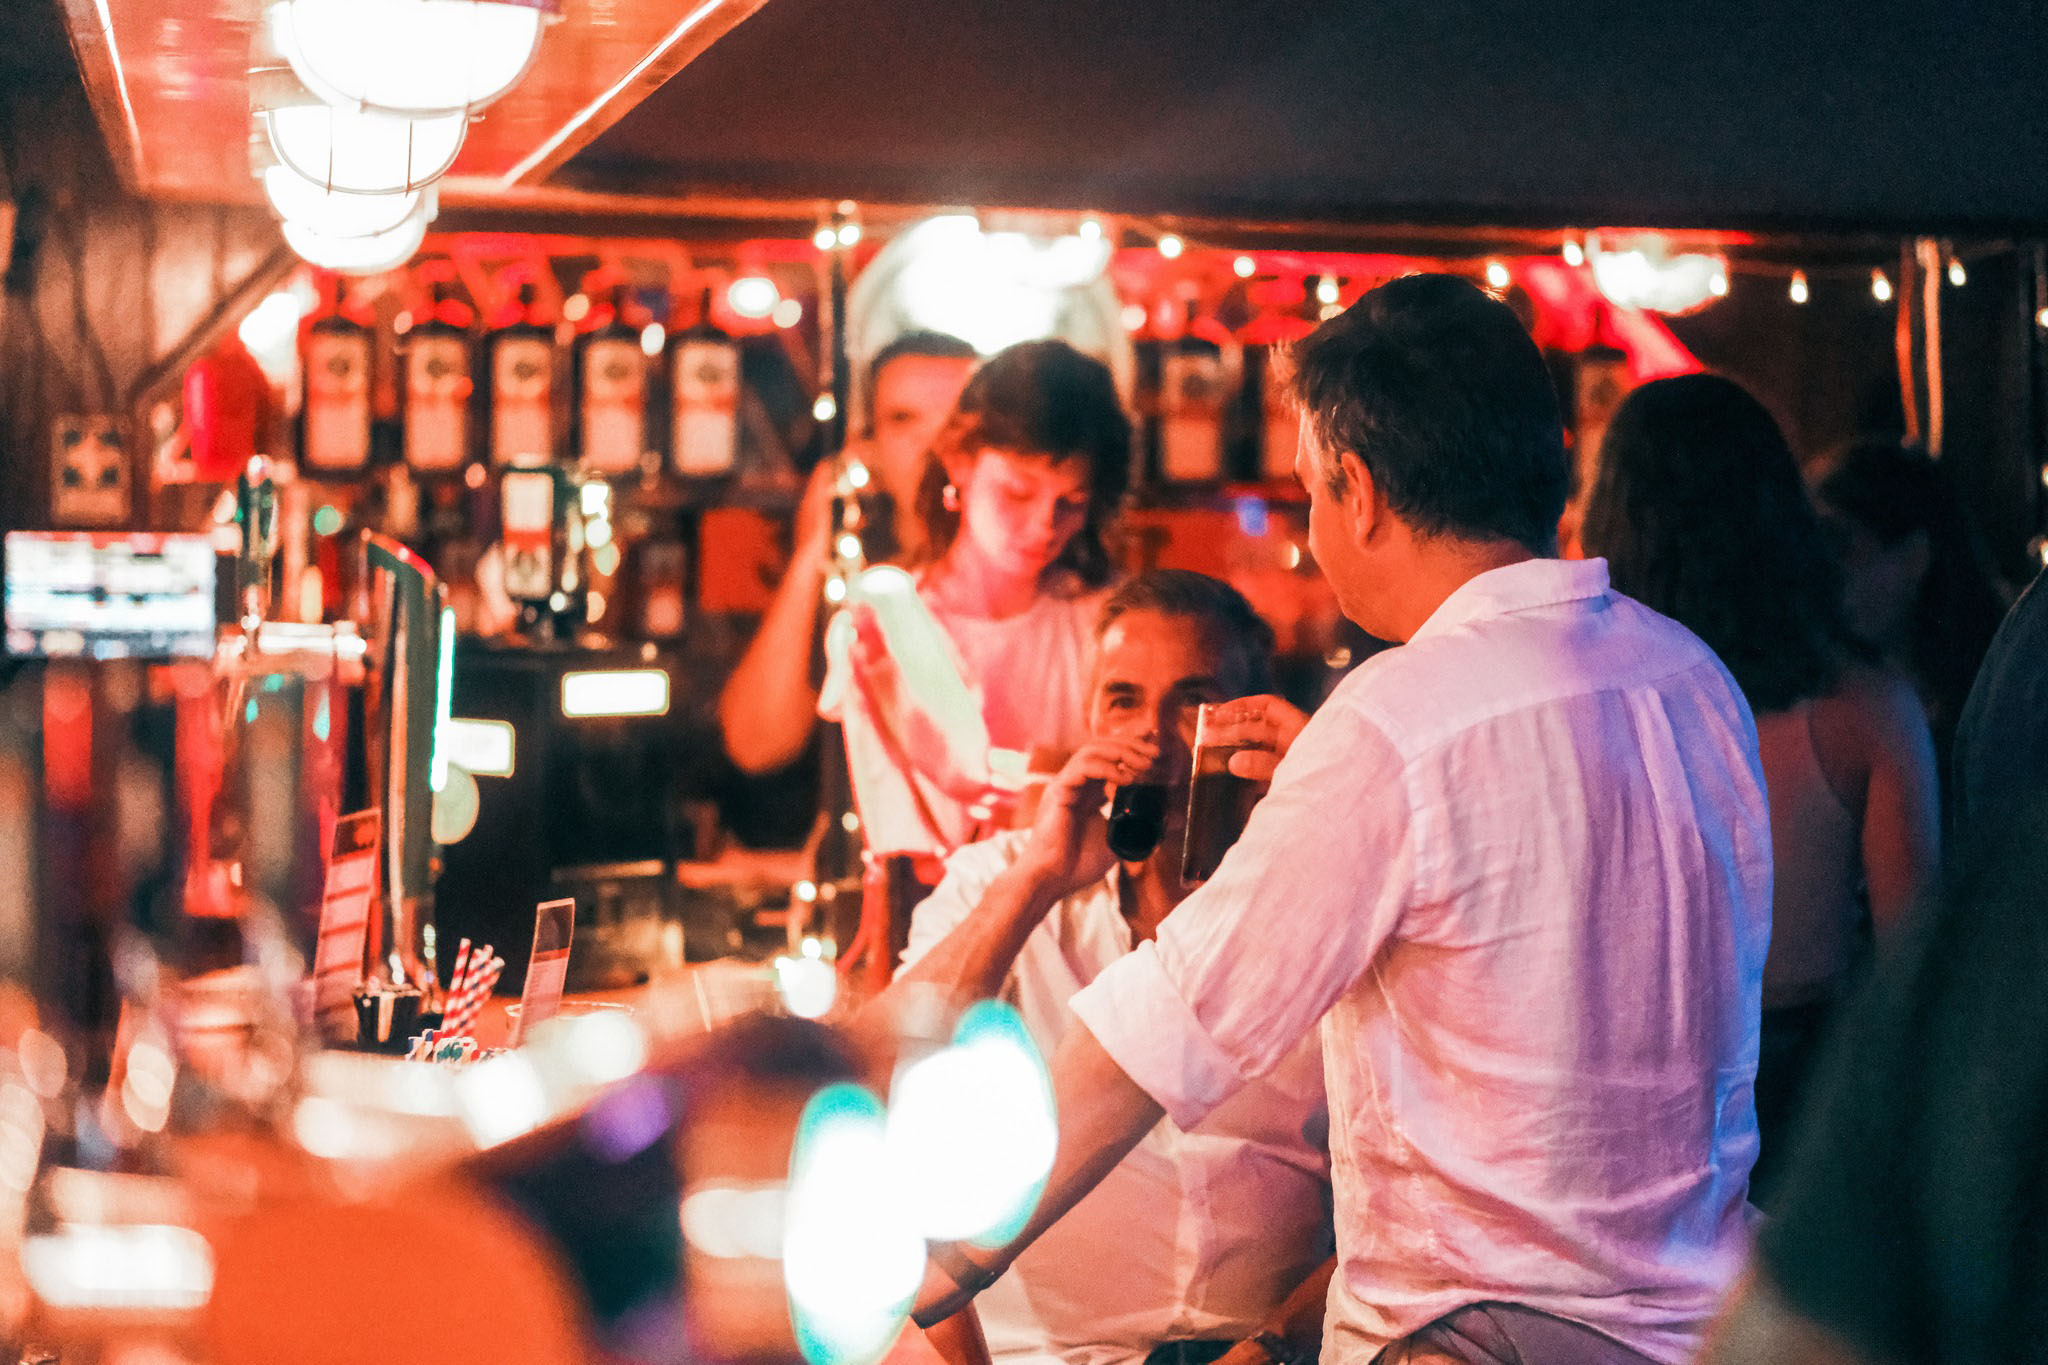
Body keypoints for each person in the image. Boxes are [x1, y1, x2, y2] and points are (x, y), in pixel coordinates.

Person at [912, 274, 1773, 1365]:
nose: (1314, 527)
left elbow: (1168, 1026)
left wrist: (936, 1254)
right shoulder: (1686, 675)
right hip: (1701, 1330)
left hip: (1468, 1342)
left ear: (1357, 490)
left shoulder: (1395, 719)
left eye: (1310, 491)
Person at [871, 569, 1333, 1365]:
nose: (1152, 733)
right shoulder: (1003, 879)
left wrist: (1273, 1348)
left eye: (1192, 699)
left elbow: (1406, 1199)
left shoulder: (1326, 896)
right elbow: (879, 1065)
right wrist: (1038, 880)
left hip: (1266, 1350)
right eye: (1122, 699)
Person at [1578, 374, 1939, 1204]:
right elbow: (1917, 961)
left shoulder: (1581, 700)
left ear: (1616, 520)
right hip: (1802, 1090)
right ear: (1780, 514)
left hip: (1614, 1081)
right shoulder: (1868, 709)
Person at [1695, 796, 2048, 1365]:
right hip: (1799, 1062)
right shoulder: (1878, 722)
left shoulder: (2011, 910)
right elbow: (1900, 924)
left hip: (1779, 1071)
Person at [822, 338, 1133, 864]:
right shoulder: (888, 620)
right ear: (959, 463)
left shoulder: (1109, 623)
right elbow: (936, 801)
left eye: (1071, 503)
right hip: (931, 928)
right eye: (1017, 493)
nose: (1043, 525)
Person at [719, 331, 979, 775]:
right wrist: (810, 552)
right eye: (903, 418)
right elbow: (756, 746)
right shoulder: (855, 583)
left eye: (955, 419)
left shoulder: (1020, 568)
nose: (933, 442)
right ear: (868, 447)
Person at [1813, 440, 2007, 781]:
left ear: (1915, 557)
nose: (1824, 572)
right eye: (1814, 547)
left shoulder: (1998, 701)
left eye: (1840, 544)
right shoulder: (1828, 704)